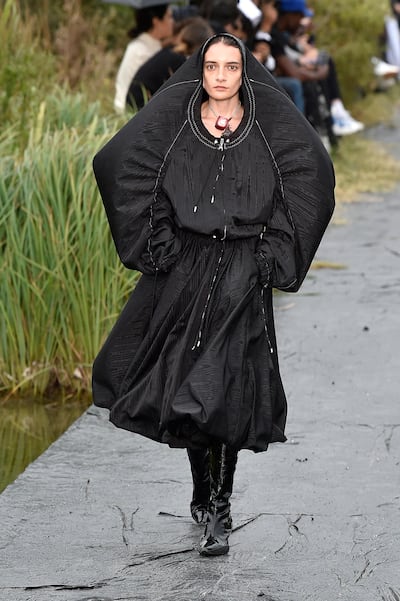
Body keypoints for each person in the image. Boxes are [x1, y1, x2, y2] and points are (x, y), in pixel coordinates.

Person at [92, 33, 335, 557]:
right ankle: (203, 488)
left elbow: (310, 171)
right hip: (189, 267)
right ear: (200, 72)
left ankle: (220, 507)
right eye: (211, 66)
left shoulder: (265, 126)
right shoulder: (180, 123)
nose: (221, 76)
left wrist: (273, 253)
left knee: (224, 385)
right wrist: (159, 243)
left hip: (244, 269)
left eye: (230, 67)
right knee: (188, 383)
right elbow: (122, 164)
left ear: (243, 72)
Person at [113, 3, 174, 113]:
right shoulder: (144, 51)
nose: (172, 22)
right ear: (156, 22)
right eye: (169, 17)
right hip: (130, 112)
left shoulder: (144, 45)